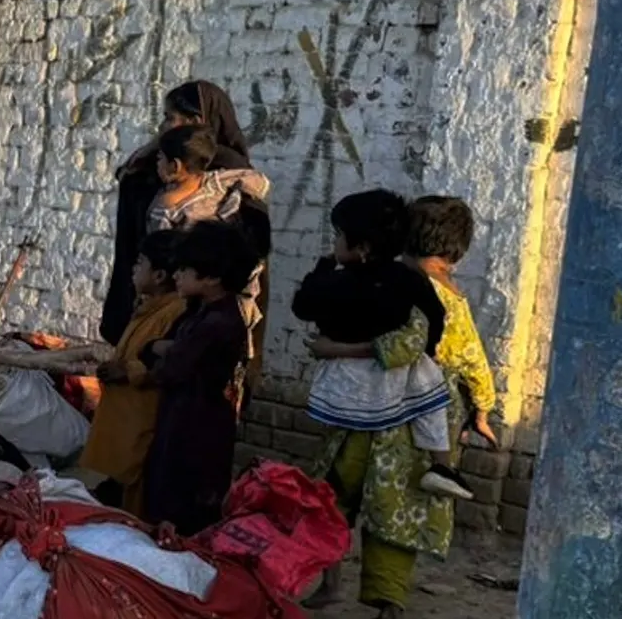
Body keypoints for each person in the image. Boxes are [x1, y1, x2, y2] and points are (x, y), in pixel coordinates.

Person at [292, 189, 468, 499]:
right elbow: (435, 319)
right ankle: (442, 466)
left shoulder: (339, 285)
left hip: (350, 391)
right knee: (431, 397)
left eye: (339, 236)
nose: (335, 243)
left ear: (362, 247)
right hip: (403, 389)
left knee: (344, 475)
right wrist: (424, 351)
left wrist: (322, 269)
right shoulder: (409, 279)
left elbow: (303, 305)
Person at [102, 83, 272, 373]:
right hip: (160, 294)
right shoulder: (159, 166)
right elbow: (129, 178)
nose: (163, 126)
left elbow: (252, 251)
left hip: (206, 301)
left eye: (170, 117)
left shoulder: (233, 176)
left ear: (195, 121)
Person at [139, 220, 257, 536]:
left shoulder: (218, 321)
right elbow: (157, 350)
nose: (176, 275)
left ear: (213, 277)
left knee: (183, 510)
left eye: (185, 269)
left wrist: (161, 349)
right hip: (185, 415)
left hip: (197, 425)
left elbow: (170, 367)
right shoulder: (201, 311)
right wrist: (161, 348)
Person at [79, 230, 186, 516]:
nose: (134, 269)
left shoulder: (175, 312)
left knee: (136, 495)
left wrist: (129, 371)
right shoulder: (149, 307)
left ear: (159, 275)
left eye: (140, 263)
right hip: (125, 418)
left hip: (142, 418)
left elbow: (170, 364)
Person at [407, 195, 501, 453]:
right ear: (457, 249)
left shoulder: (389, 280)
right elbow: (472, 357)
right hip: (435, 403)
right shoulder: (450, 299)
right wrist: (483, 409)